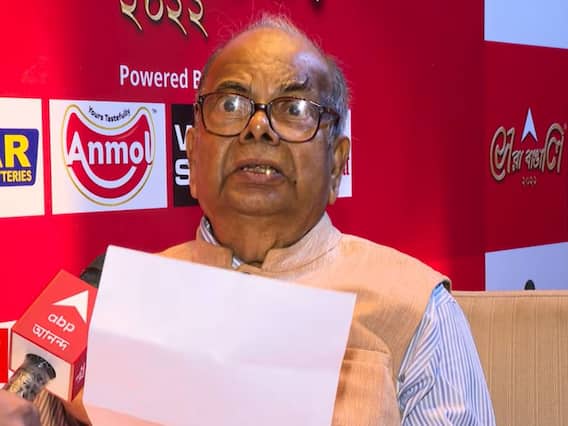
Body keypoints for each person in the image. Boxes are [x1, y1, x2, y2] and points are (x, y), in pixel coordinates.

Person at [1, 14, 495, 426]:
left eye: (294, 108)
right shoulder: (114, 297)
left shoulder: (415, 311)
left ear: (337, 164)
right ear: (192, 154)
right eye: (231, 104)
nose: (258, 127)